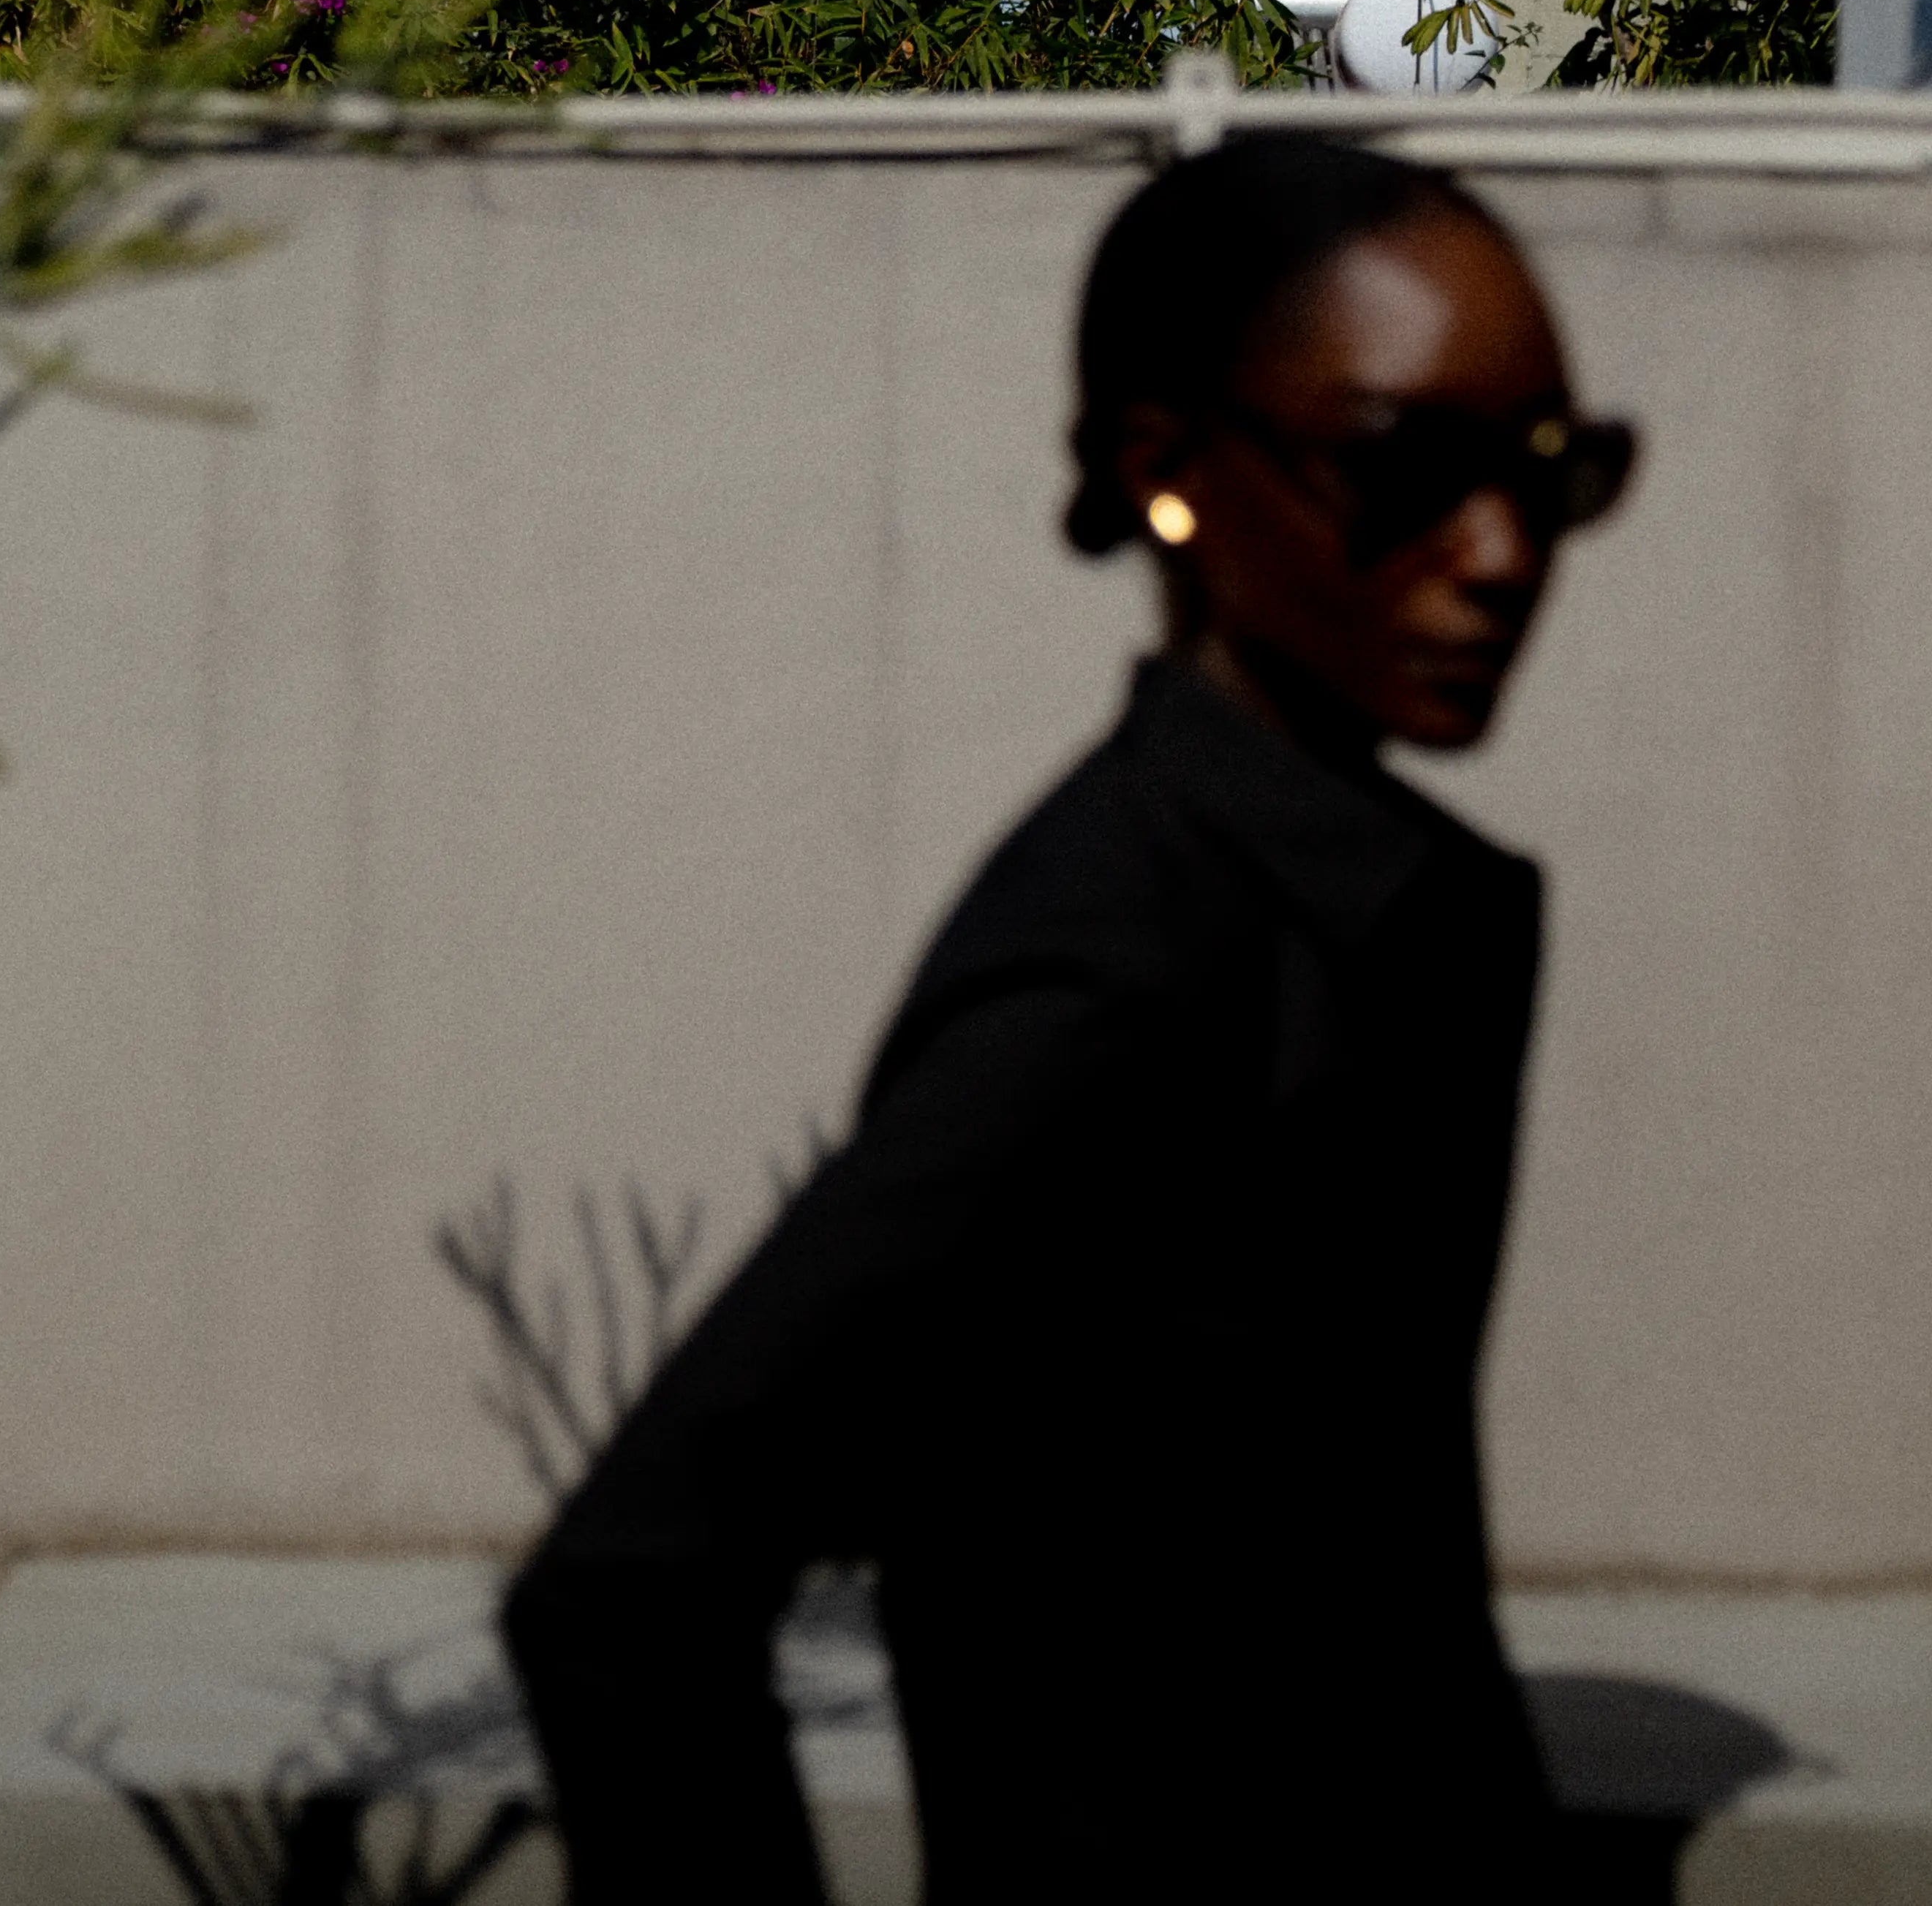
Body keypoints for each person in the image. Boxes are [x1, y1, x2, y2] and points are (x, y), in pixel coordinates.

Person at [503, 135, 1637, 1902]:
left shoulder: (1366, 903)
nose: (1499, 553)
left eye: (1554, 472)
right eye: (1405, 466)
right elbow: (633, 1584)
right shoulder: (1129, 950)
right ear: (1166, 471)